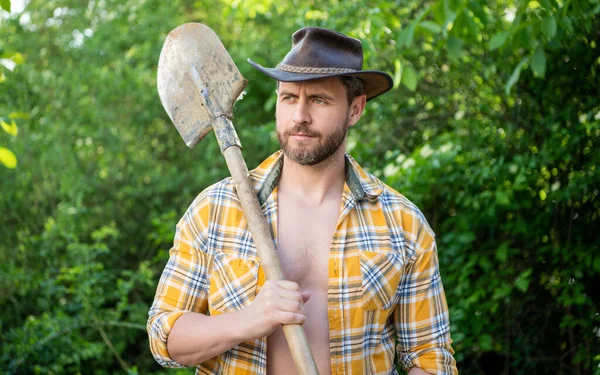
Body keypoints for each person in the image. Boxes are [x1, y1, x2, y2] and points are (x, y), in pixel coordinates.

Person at [148, 26, 458, 375]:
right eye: (289, 98)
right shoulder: (216, 209)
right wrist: (248, 320)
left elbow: (430, 358)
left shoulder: (403, 224)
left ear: (355, 109)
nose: (300, 116)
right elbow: (165, 335)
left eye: (319, 100)